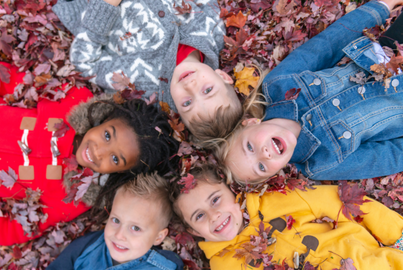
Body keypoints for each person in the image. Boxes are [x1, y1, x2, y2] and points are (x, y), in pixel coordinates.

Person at [0, 49, 179, 245]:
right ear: (105, 119)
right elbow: (10, 80)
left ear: (121, 173)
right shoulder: (72, 100)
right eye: (106, 135)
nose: (98, 151)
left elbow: (12, 230)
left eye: (115, 159)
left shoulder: (72, 198)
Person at [216, 0, 403, 183]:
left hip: (390, 53)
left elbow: (329, 44)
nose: (264, 155)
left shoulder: (279, 85)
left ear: (250, 123)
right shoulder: (321, 163)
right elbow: (387, 157)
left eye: (249, 147)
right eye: (261, 168)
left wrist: (380, 7)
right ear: (276, 173)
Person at [52, 0, 243, 141]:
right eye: (207, 90)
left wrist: (105, 7)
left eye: (187, 103)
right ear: (223, 76)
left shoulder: (143, 86)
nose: (191, 87)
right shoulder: (212, 32)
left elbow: (85, 62)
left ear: (177, 112)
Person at [169, 166, 403, 270]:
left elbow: (342, 202)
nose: (214, 215)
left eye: (215, 199)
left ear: (232, 192)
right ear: (195, 231)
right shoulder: (222, 264)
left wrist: (397, 233)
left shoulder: (278, 200)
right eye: (199, 216)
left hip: (371, 262)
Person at [47, 173, 183, 270]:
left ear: (158, 237)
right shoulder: (89, 246)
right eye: (116, 220)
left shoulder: (165, 265)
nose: (118, 235)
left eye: (135, 228)